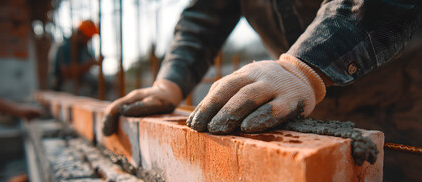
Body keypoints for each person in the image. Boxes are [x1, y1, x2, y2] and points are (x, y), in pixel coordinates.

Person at [102, 0, 421, 136]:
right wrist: (169, 83)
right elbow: (203, 19)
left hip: (400, 99)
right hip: (300, 103)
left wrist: (306, 68)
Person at [50, 20, 102, 96]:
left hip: (79, 81)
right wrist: (91, 63)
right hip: (62, 85)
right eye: (87, 37)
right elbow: (66, 73)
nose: (88, 40)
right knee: (74, 88)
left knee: (102, 83)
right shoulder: (63, 47)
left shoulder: (83, 47)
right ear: (79, 33)